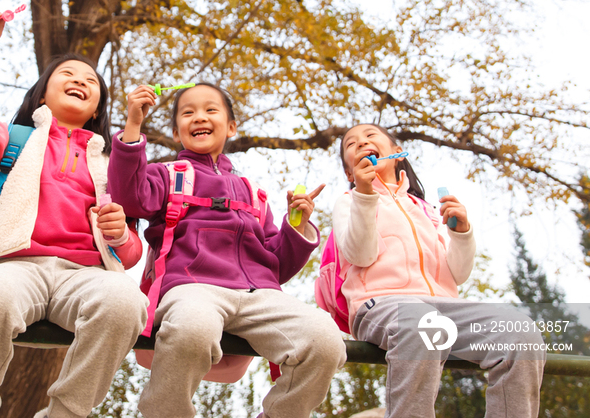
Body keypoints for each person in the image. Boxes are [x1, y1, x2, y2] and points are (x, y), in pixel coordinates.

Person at [0, 10, 149, 418]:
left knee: (125, 302)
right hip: (15, 266)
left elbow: (129, 255)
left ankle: (67, 411)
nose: (80, 80)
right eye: (68, 74)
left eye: (91, 81)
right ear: (42, 94)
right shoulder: (11, 140)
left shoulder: (113, 167)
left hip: (84, 276)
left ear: (98, 108)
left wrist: (121, 236)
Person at [108, 83, 347, 418]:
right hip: (193, 287)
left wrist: (297, 227)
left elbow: (276, 265)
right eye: (187, 113)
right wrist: (133, 128)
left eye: (210, 109)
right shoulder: (167, 176)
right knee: (193, 327)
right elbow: (128, 195)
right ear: (177, 133)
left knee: (324, 341)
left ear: (231, 127)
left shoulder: (253, 193)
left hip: (259, 294)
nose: (198, 117)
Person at [333, 123, 546, 417]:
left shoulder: (427, 210)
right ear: (349, 172)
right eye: (351, 145)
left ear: (397, 154)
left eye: (370, 136)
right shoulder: (348, 203)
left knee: (520, 333)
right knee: (424, 323)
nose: (361, 143)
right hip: (382, 306)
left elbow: (457, 273)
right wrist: (365, 195)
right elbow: (361, 255)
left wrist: (462, 233)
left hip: (445, 309)